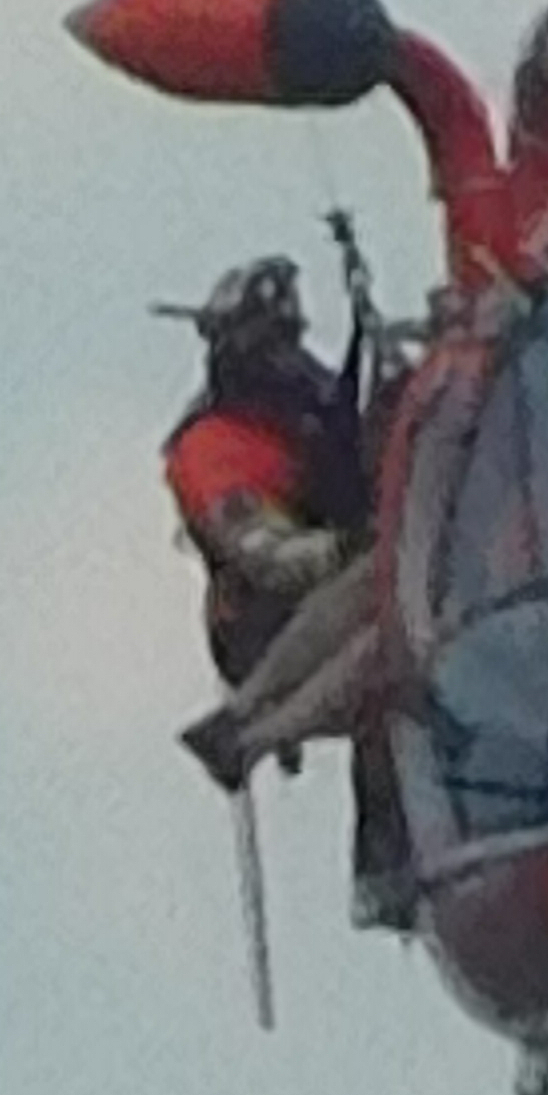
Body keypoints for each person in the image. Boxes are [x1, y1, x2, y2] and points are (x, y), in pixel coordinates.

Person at [165, 260, 404, 895]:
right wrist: (344, 547)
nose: (286, 360)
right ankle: (246, 731)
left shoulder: (307, 409)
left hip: (342, 574)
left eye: (287, 340)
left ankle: (388, 843)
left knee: (393, 605)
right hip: (260, 623)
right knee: (394, 629)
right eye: (269, 346)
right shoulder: (213, 448)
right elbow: (265, 554)